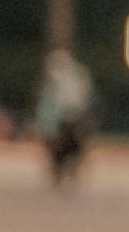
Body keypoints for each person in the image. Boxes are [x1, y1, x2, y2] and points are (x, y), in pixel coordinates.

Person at [35, 50, 95, 188]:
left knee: (74, 145)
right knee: (58, 148)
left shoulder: (76, 77)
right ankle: (60, 171)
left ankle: (69, 168)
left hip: (72, 118)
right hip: (61, 120)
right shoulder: (52, 81)